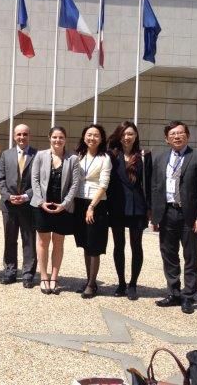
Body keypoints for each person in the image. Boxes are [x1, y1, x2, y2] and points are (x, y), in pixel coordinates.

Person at [151, 121, 197, 314]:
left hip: (189, 214)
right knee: (169, 254)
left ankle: (189, 296)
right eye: (173, 134)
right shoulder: (160, 158)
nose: (177, 136)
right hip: (167, 212)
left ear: (187, 136)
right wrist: (154, 214)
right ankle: (174, 293)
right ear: (167, 139)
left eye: (181, 133)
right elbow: (155, 187)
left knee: (191, 256)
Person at [30, 126, 81, 295]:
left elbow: (75, 184)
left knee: (58, 243)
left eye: (61, 137)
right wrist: (40, 201)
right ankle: (44, 277)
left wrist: (65, 204)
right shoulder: (40, 156)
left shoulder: (73, 158)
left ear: (65, 139)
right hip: (42, 205)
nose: (57, 140)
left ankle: (54, 278)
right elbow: (35, 180)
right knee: (43, 243)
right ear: (49, 138)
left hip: (63, 207)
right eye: (54, 137)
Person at [107, 121, 152, 301]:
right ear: (119, 135)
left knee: (136, 245)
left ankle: (133, 283)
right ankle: (121, 282)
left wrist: (150, 208)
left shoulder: (144, 155)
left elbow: (148, 183)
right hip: (117, 205)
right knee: (118, 245)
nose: (127, 137)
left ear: (136, 136)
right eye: (124, 134)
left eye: (131, 134)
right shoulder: (111, 155)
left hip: (137, 206)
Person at [0, 124, 37, 287]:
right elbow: (0, 179)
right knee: (9, 239)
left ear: (29, 136)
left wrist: (27, 196)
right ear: (14, 136)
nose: (22, 137)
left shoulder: (37, 155)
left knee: (29, 240)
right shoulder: (6, 155)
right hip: (9, 205)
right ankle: (10, 271)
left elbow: (40, 180)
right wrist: (8, 196)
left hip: (28, 205)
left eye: (25, 134)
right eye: (19, 134)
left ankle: (28, 274)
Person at [73, 124, 112, 299]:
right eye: (89, 135)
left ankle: (92, 284)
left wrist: (92, 207)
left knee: (94, 245)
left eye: (96, 135)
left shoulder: (105, 158)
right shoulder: (78, 156)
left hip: (96, 204)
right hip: (79, 202)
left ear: (102, 138)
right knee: (85, 244)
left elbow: (104, 185)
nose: (92, 138)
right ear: (83, 136)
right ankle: (89, 279)